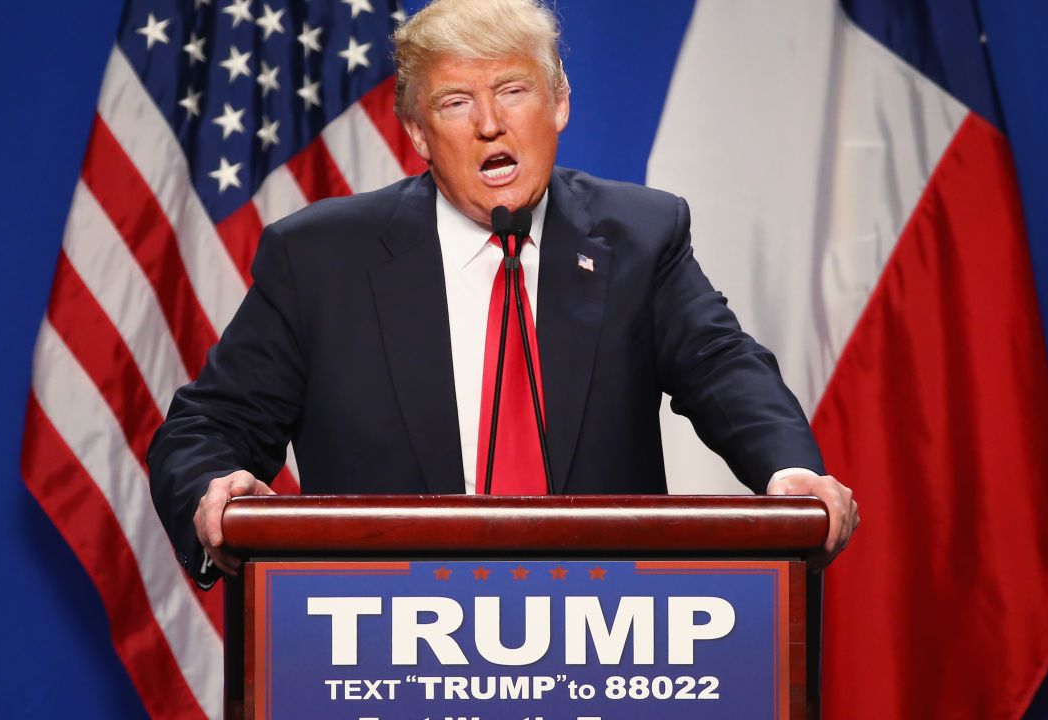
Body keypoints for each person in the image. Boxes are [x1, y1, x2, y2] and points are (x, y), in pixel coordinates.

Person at [148, 0, 858, 588]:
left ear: (559, 105)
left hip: (604, 639)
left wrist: (787, 472)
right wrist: (217, 489)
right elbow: (210, 424)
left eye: (514, 90)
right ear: (420, 134)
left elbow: (720, 366)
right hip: (385, 646)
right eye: (457, 102)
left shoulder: (641, 237)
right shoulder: (319, 259)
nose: (491, 122)